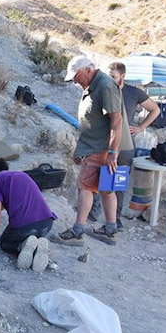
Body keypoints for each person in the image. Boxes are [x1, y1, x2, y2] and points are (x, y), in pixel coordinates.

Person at [56, 55, 123, 246]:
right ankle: (110, 230)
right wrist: (82, 149)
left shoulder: (105, 86)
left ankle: (77, 232)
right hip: (97, 146)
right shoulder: (94, 85)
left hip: (100, 148)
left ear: (87, 69)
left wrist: (112, 153)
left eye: (77, 76)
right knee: (106, 188)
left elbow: (116, 121)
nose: (75, 81)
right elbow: (92, 121)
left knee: (84, 187)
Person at [90, 61, 159, 225]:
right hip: (104, 142)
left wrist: (140, 127)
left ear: (123, 76)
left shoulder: (133, 92)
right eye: (108, 76)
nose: (110, 80)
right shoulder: (102, 90)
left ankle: (116, 219)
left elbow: (155, 109)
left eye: (113, 77)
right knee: (99, 177)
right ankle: (92, 213)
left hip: (125, 144)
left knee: (119, 182)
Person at [0, 158, 57, 271]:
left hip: (25, 228)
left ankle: (22, 246)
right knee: (32, 237)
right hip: (46, 225)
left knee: (5, 243)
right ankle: (38, 247)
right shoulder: (21, 175)